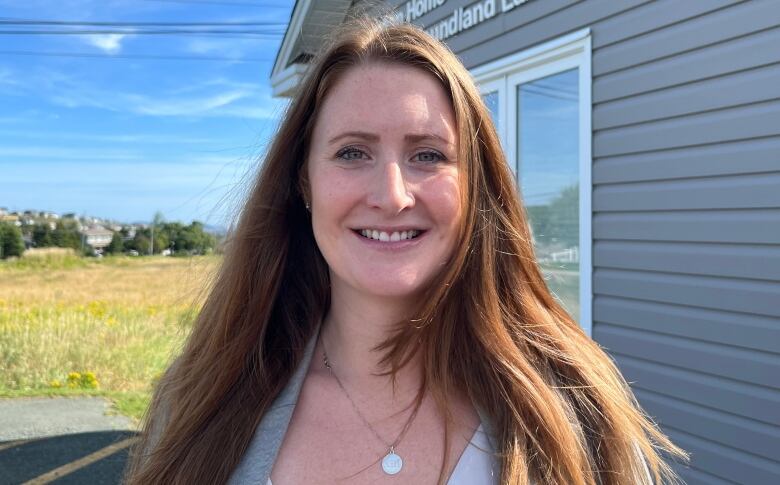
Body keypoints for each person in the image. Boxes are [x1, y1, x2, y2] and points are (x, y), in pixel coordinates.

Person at [124, 15, 687, 485]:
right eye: (351, 154)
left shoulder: (571, 406)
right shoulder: (204, 401)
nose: (392, 196)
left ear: (476, 185)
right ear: (303, 184)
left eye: (428, 156)